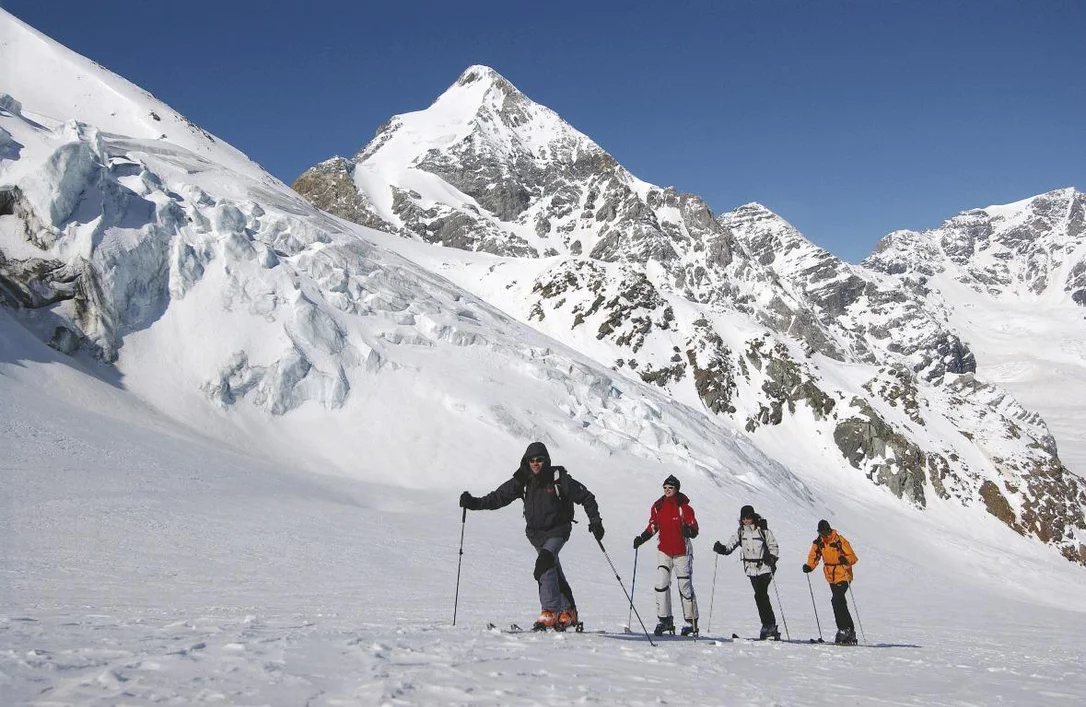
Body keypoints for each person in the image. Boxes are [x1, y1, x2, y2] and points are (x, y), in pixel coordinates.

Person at [459, 441, 604, 631]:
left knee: (544, 564)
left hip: (558, 531)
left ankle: (550, 612)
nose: (536, 463)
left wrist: (595, 521)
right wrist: (474, 503)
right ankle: (569, 612)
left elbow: (587, 497)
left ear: (546, 460)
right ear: (527, 462)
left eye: (540, 460)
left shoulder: (559, 479)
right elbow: (498, 497)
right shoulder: (523, 479)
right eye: (532, 460)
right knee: (551, 570)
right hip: (536, 535)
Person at [633, 474, 700, 636]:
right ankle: (665, 620)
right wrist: (642, 538)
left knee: (684, 586)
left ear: (676, 489)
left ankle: (691, 622)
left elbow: (694, 528)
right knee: (661, 584)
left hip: (682, 552)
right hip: (664, 550)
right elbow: (653, 526)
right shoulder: (658, 506)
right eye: (665, 487)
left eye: (670, 488)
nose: (667, 490)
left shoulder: (684, 507)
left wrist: (689, 531)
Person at [712, 504, 780, 640]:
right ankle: (769, 625)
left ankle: (769, 625)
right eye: (744, 518)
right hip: (750, 569)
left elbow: (773, 546)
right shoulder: (740, 532)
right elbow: (730, 546)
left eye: (749, 517)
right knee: (759, 595)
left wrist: (771, 558)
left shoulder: (763, 531)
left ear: (753, 517)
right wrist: (722, 549)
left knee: (761, 594)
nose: (746, 520)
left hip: (765, 568)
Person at [803, 519, 859, 644]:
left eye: (825, 532)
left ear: (829, 529)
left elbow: (853, 557)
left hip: (843, 574)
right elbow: (814, 556)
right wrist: (809, 566)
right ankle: (850, 631)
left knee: (836, 600)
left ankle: (843, 629)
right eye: (821, 532)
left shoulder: (839, 540)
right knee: (840, 602)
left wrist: (845, 560)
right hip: (830, 576)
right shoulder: (819, 543)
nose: (824, 535)